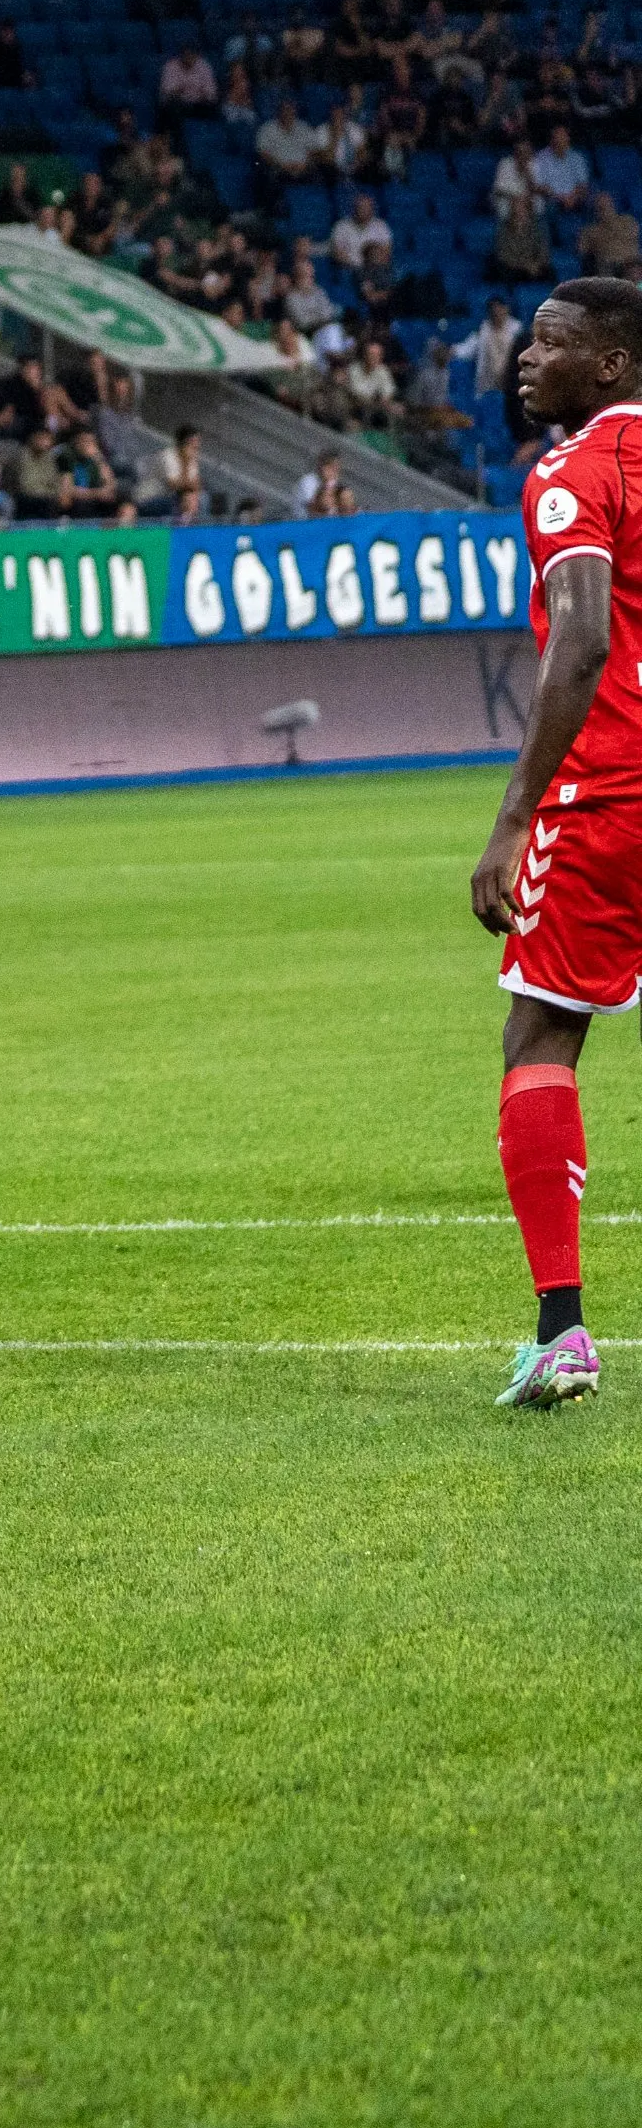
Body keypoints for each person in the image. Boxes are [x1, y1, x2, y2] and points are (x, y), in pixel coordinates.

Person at [468, 276, 642, 1408]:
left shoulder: (573, 475)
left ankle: (559, 1330)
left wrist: (517, 807)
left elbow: (577, 637)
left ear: (612, 364)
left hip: (604, 800)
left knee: (539, 1033)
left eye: (552, 343)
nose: (525, 360)